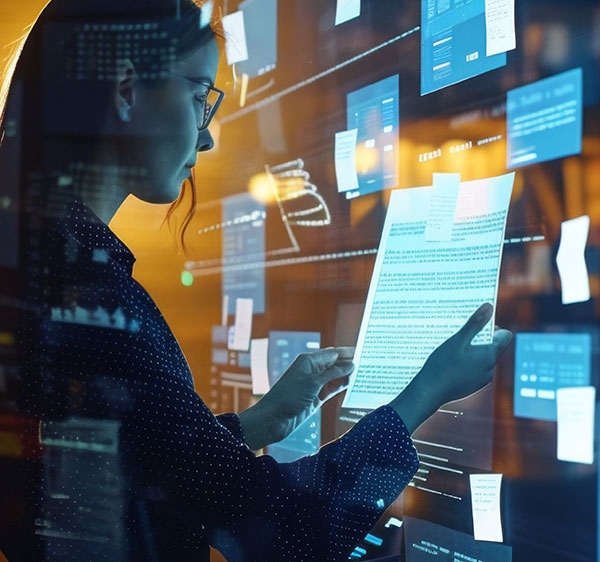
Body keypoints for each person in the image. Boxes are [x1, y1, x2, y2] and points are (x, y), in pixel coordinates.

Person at [0, 0, 513, 561]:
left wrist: (257, 422)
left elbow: (140, 475)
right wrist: (424, 394)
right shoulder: (95, 305)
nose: (207, 136)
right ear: (127, 90)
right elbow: (278, 533)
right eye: (199, 97)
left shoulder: (35, 267)